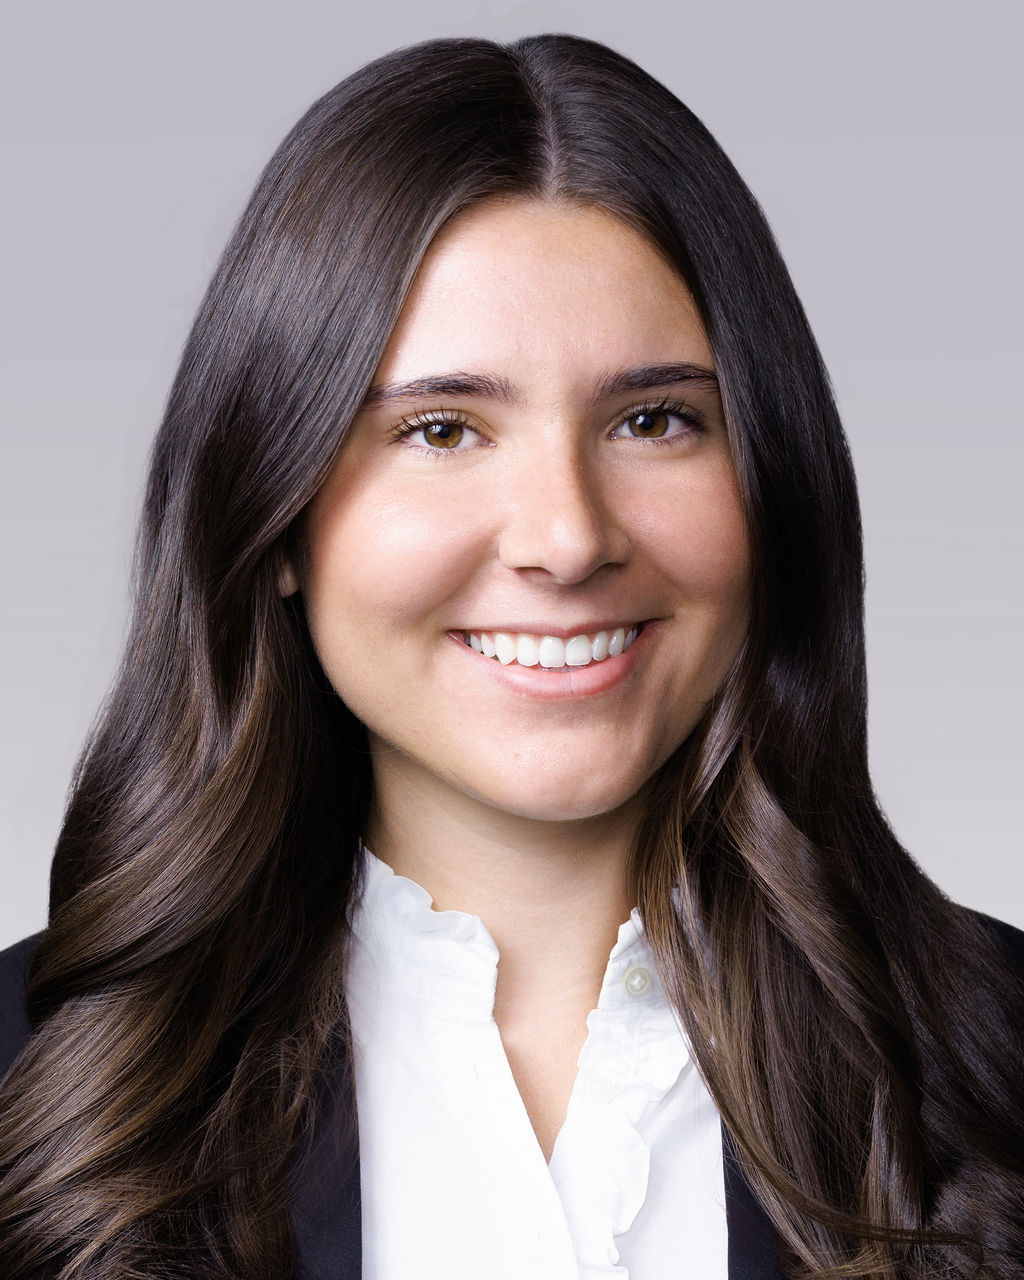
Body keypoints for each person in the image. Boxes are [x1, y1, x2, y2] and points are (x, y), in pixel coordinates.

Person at [0, 32, 1022, 1280]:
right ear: (273, 512)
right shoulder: (31, 1103)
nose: (567, 536)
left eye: (654, 419)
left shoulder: (1001, 1070)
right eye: (441, 430)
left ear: (774, 479)